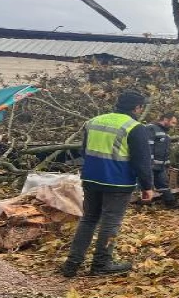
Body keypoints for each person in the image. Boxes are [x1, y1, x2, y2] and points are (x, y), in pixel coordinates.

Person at [61, 90, 153, 278]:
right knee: (111, 222)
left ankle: (72, 264)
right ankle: (101, 264)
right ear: (138, 107)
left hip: (91, 178)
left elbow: (84, 151)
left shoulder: (93, 122)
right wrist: (147, 187)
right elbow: (141, 161)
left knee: (88, 220)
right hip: (118, 182)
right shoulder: (135, 127)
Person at [146, 112, 179, 209]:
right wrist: (150, 162)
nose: (174, 125)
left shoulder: (165, 132)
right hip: (150, 164)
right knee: (147, 185)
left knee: (163, 184)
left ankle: (170, 202)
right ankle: (144, 205)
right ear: (166, 119)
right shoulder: (151, 128)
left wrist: (167, 163)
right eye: (173, 123)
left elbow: (164, 150)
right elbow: (148, 146)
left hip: (161, 165)